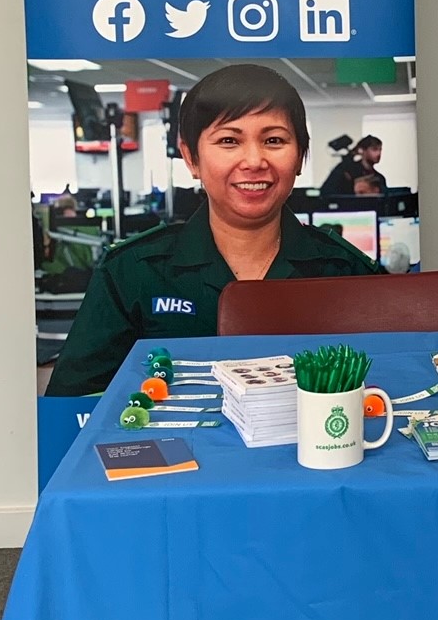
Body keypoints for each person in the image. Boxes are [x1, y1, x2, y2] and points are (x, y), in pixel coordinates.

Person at [46, 64, 382, 395]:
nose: (253, 161)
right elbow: (72, 409)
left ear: (299, 159)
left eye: (274, 140)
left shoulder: (345, 272)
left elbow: (387, 389)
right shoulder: (132, 272)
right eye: (228, 140)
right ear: (191, 159)